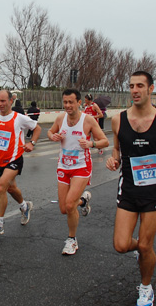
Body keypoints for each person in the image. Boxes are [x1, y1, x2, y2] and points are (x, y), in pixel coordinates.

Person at [105, 71, 156, 306]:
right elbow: (117, 150)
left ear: (150, 89)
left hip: (155, 190)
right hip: (128, 188)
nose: (135, 90)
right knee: (120, 245)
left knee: (146, 245)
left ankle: (146, 287)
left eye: (140, 86)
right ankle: (142, 249)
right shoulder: (118, 119)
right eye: (131, 86)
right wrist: (114, 160)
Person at [47, 89, 108, 255]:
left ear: (79, 102)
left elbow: (105, 141)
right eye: (65, 102)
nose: (67, 105)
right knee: (63, 208)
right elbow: (50, 131)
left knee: (69, 204)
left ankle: (71, 240)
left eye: (71, 102)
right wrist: (52, 136)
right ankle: (83, 200)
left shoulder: (87, 120)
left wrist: (91, 145)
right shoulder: (61, 118)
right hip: (63, 166)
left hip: (81, 166)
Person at [0, 89, 42, 237]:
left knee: (1, 187)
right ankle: (24, 206)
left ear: (10, 101)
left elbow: (37, 128)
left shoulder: (19, 118)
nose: (0, 104)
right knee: (11, 188)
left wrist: (32, 143)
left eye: (3, 101)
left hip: (15, 159)